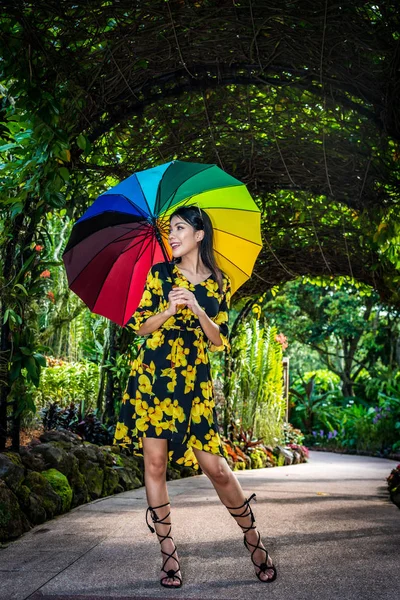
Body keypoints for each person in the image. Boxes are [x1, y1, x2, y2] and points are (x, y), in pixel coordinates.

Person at [114, 205, 277, 588]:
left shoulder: (218, 282)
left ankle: (255, 541)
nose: (171, 235)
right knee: (155, 466)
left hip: (194, 383)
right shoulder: (159, 274)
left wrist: (199, 308)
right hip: (154, 377)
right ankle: (169, 555)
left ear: (199, 235)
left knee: (216, 467)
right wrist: (169, 309)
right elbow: (140, 327)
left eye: (180, 228)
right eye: (170, 229)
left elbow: (218, 338)